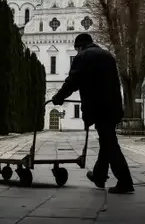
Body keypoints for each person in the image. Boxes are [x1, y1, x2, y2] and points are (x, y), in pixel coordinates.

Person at [52, 33, 134, 193]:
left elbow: (73, 81)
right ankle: (99, 176)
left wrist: (58, 97)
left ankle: (125, 181)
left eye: (76, 50)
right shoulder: (107, 55)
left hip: (99, 107)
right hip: (113, 106)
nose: (77, 52)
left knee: (110, 144)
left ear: (80, 47)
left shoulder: (83, 56)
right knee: (106, 141)